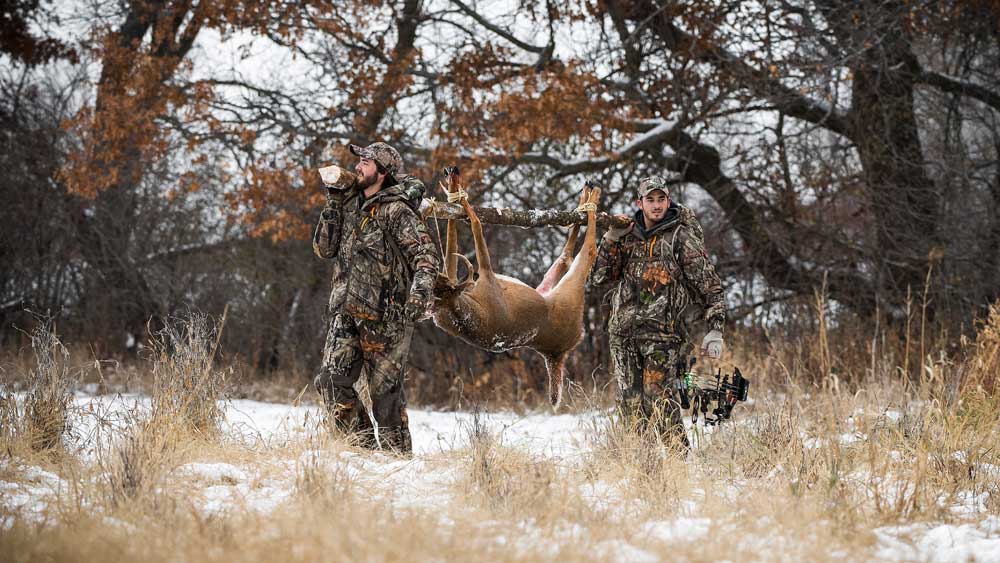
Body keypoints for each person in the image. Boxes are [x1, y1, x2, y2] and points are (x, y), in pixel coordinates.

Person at [312, 141, 440, 454]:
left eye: (366, 163)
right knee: (330, 382)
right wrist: (332, 203)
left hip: (387, 317)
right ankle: (362, 450)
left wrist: (419, 295)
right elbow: (323, 249)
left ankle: (396, 462)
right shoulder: (347, 204)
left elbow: (426, 256)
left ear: (382, 173)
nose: (357, 167)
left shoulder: (397, 211)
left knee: (386, 398)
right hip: (345, 313)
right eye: (360, 161)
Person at [589, 175, 726, 449]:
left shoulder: (680, 237)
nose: (656, 205)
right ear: (639, 203)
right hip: (624, 335)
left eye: (661, 199)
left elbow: (709, 284)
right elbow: (599, 277)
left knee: (660, 402)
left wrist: (715, 329)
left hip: (664, 337)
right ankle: (642, 469)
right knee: (631, 407)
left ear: (668, 201)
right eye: (650, 200)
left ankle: (677, 467)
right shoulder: (627, 236)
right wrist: (610, 239)